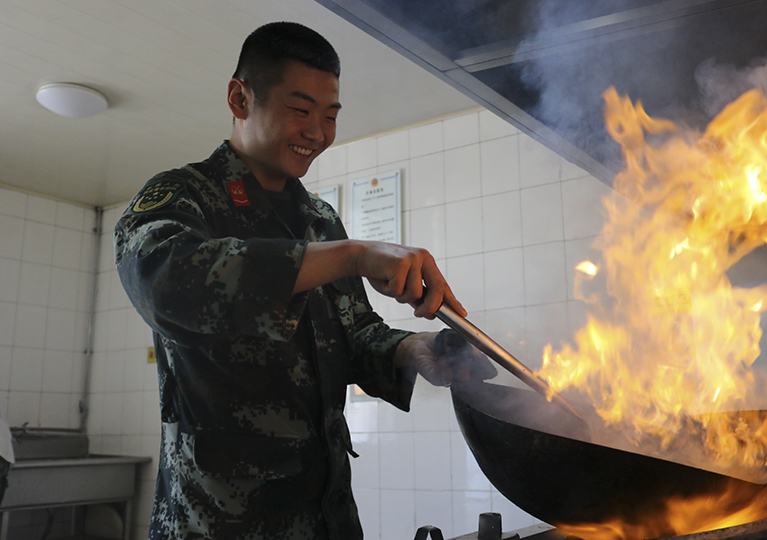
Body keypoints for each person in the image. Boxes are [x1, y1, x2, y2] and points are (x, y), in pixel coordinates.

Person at [115, 21, 492, 540]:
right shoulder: (184, 197)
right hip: (220, 522)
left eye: (330, 114)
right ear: (239, 98)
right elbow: (169, 284)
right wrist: (355, 255)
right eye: (300, 110)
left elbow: (354, 332)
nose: (318, 132)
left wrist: (418, 350)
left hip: (326, 515)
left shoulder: (319, 219)